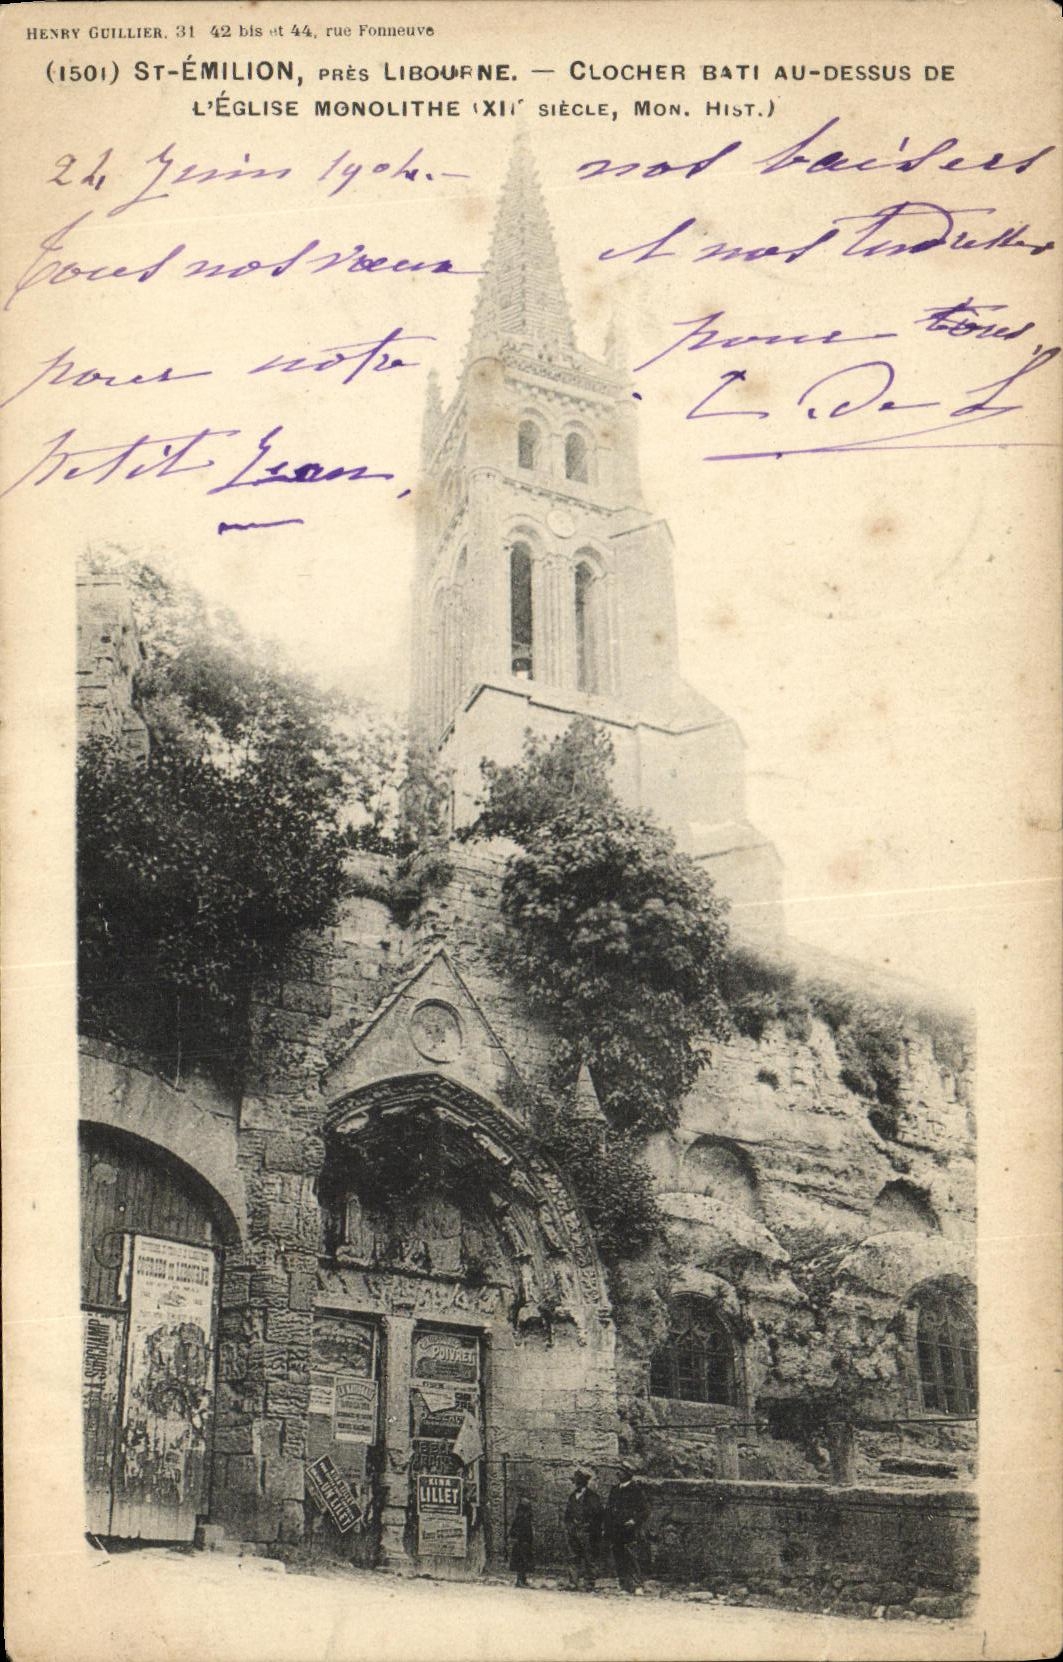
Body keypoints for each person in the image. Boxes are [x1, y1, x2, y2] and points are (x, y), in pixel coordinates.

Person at [605, 1462, 649, 1594]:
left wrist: (634, 1520)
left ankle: (637, 1585)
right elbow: (609, 1509)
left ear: (628, 1474)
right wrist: (607, 1526)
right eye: (618, 1470)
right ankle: (624, 1585)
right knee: (619, 1557)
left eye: (621, 1471)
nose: (618, 1473)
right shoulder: (615, 1489)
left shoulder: (635, 1490)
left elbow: (645, 1510)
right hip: (616, 1529)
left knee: (631, 1556)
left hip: (629, 1529)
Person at [563, 1467, 603, 1591]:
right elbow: (567, 1513)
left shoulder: (593, 1496)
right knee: (573, 1556)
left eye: (579, 1480)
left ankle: (589, 1583)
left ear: (585, 1481)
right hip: (573, 1530)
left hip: (586, 1531)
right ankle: (573, 1582)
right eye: (576, 1480)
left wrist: (588, 1525)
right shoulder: (572, 1496)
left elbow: (598, 1514)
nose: (576, 1482)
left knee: (589, 1557)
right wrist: (569, 1525)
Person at [509, 1494, 535, 1588]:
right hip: (521, 1542)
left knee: (525, 1561)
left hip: (526, 1542)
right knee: (521, 1561)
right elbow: (513, 1530)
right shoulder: (520, 1518)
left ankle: (523, 1579)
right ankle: (519, 1581)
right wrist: (518, 1538)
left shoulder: (526, 1518)